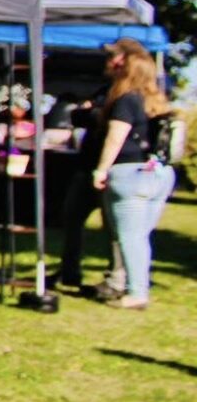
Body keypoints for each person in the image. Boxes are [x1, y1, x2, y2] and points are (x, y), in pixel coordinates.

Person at [91, 47, 174, 310]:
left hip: (130, 173)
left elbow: (116, 137)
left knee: (129, 237)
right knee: (141, 236)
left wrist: (102, 169)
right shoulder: (155, 101)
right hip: (159, 173)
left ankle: (136, 292)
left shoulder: (126, 100)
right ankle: (136, 285)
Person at [58, 38, 142, 294]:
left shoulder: (131, 95)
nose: (106, 63)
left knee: (116, 228)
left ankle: (116, 279)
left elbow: (113, 130)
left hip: (113, 170)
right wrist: (93, 113)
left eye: (111, 57)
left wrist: (94, 114)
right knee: (71, 217)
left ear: (124, 61)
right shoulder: (107, 91)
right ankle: (69, 270)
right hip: (88, 165)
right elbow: (78, 115)